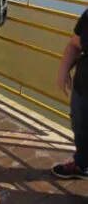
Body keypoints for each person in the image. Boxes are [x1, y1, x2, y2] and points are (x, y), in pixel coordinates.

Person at [52, 9, 88, 179]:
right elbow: (75, 44)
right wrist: (63, 70)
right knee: (80, 127)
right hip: (83, 88)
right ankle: (82, 165)